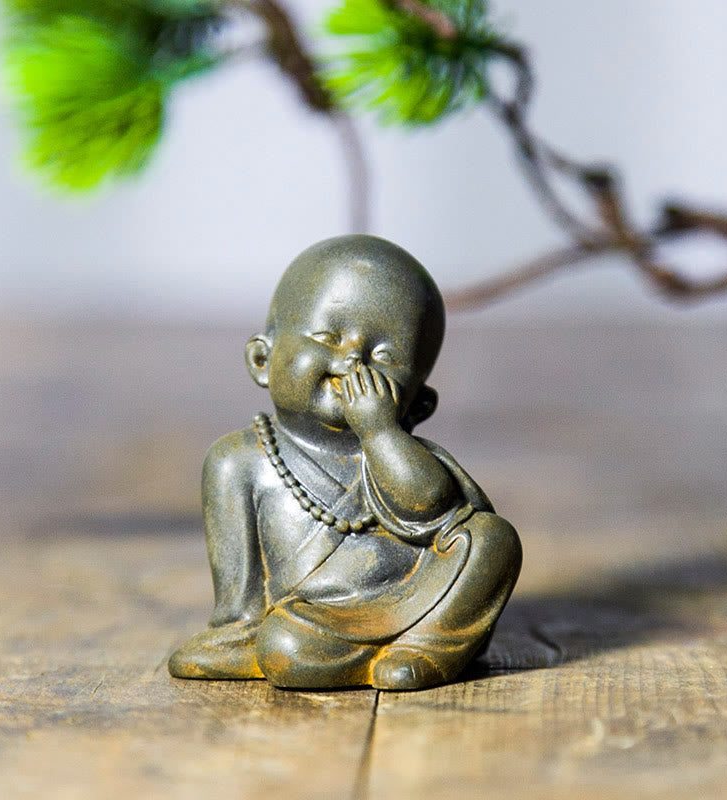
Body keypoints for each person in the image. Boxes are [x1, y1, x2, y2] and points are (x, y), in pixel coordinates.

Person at [168, 235, 521, 690]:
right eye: (328, 337)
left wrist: (380, 433)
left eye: (385, 356)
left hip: (416, 599)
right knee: (282, 648)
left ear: (418, 406)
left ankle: (427, 648)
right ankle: (332, 654)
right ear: (262, 359)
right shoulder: (237, 462)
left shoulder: (394, 446)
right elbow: (241, 599)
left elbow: (434, 512)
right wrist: (235, 633)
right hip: (310, 620)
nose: (352, 358)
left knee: (493, 540)